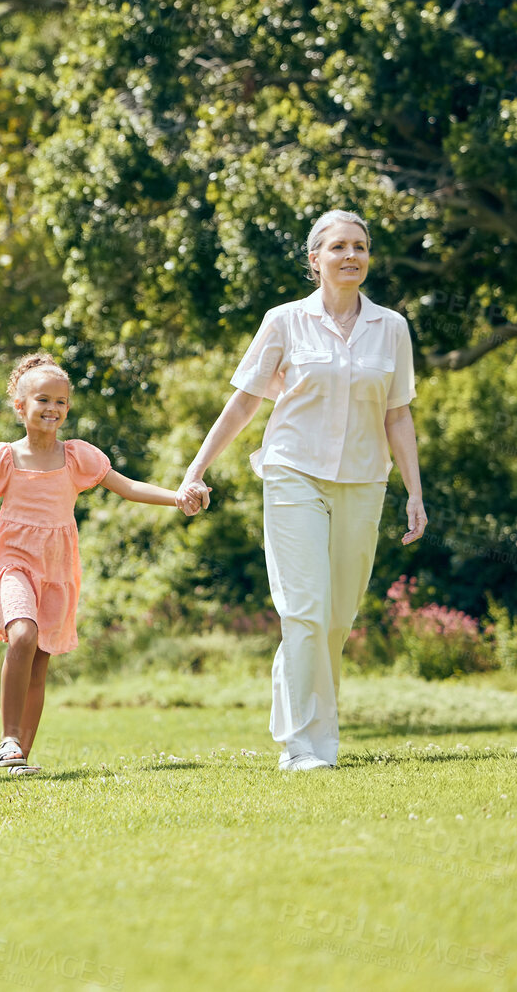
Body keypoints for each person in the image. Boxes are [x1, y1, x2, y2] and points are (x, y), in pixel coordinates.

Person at [176, 209, 427, 771]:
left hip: (363, 480)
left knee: (337, 618)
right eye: (338, 247)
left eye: (360, 247)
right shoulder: (285, 321)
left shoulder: (391, 327)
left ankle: (302, 715)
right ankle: (304, 746)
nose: (351, 256)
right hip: (292, 472)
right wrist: (196, 468)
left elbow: (398, 414)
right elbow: (244, 400)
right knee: (305, 610)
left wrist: (414, 492)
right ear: (315, 260)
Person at [0, 354, 197, 775]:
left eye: (61, 401)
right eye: (42, 399)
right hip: (13, 561)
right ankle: (8, 738)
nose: (52, 408)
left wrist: (176, 496)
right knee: (22, 634)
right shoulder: (5, 457)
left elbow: (126, 486)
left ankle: (20, 756)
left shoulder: (77, 457)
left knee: (40, 660)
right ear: (20, 406)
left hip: (57, 567)